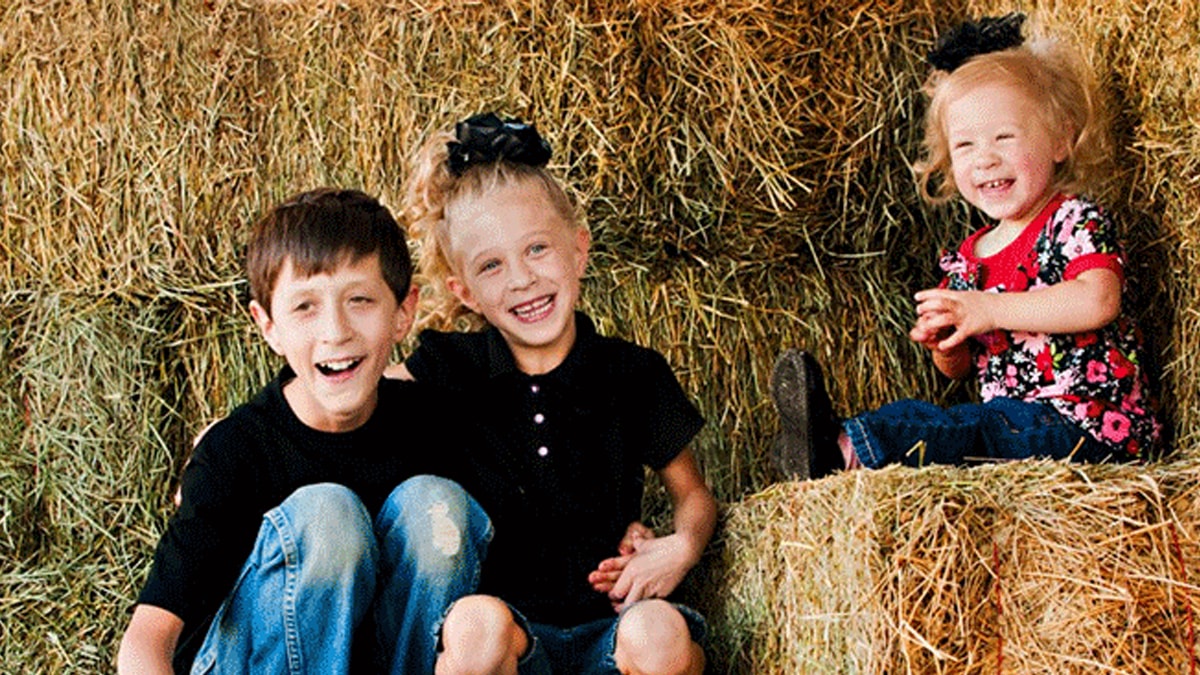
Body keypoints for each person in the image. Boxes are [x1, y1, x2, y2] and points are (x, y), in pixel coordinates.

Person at [387, 112, 717, 674]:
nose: (521, 279)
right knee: (473, 624)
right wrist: (238, 435)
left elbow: (693, 496)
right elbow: (345, 399)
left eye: (537, 249)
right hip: (514, 637)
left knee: (659, 630)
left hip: (611, 626)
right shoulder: (448, 368)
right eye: (492, 266)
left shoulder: (631, 372)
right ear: (463, 292)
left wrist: (679, 548)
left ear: (579, 250)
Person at [770, 14, 1161, 480]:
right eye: (965, 146)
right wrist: (946, 343)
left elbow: (1098, 300)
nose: (986, 157)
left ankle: (843, 448)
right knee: (953, 422)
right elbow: (959, 370)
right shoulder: (969, 258)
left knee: (972, 429)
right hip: (1016, 430)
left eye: (1004, 137)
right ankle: (838, 444)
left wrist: (987, 310)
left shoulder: (1072, 220)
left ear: (1059, 139)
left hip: (1091, 429)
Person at [117, 188, 490, 674]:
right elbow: (146, 640)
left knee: (435, 506)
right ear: (267, 325)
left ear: (404, 312)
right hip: (248, 663)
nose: (335, 330)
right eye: (305, 307)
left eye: (359, 300)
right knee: (327, 516)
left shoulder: (435, 425)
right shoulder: (236, 450)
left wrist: (627, 527)